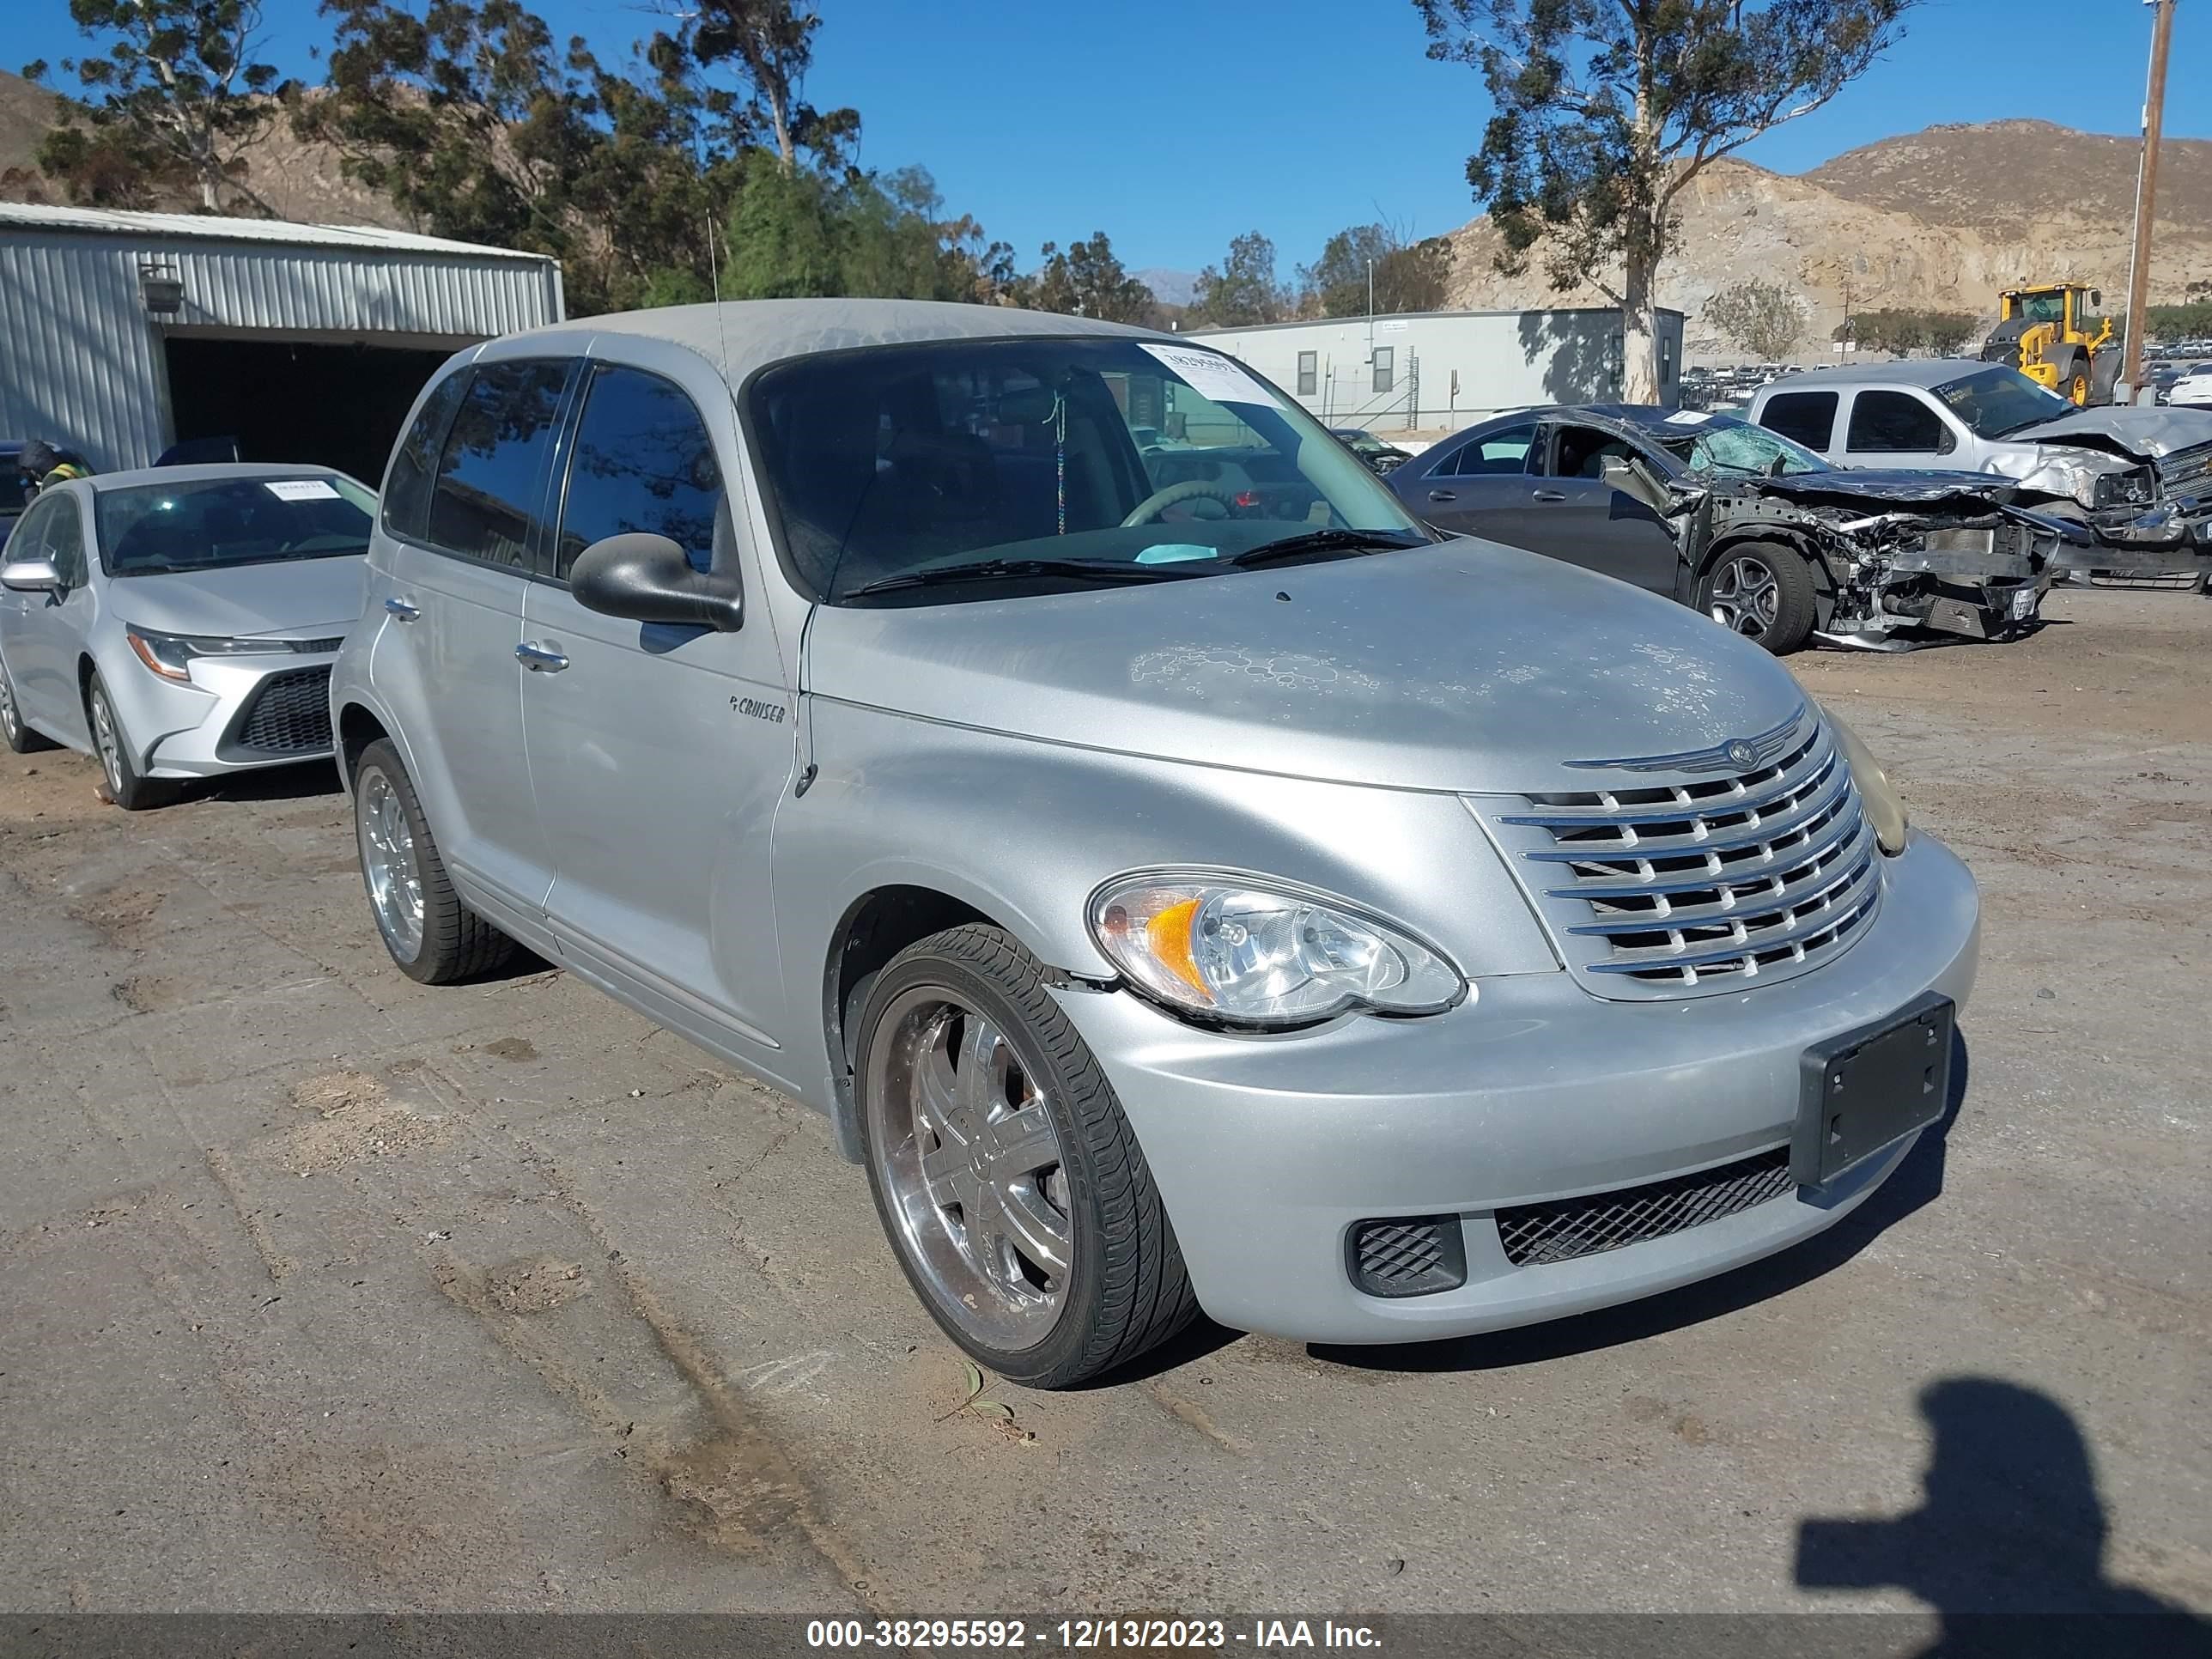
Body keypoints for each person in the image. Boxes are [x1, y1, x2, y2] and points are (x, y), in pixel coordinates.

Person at [18, 439, 91, 493]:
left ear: (35, 467)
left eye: (29, 470)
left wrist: (30, 489)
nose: (32, 474)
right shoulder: (70, 468)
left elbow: (48, 510)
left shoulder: (53, 480)